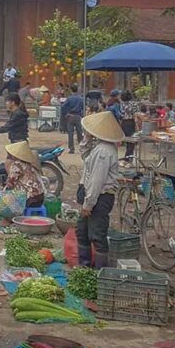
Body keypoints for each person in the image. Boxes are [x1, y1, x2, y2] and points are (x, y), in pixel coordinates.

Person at [75, 110, 123, 269]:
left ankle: (99, 272)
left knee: (97, 235)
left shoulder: (104, 151)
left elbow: (97, 180)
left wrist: (88, 205)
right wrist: (86, 138)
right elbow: (85, 156)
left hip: (99, 197)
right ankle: (85, 267)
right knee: (82, 232)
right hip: (92, 195)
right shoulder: (99, 147)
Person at [4, 140, 46, 208]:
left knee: (6, 203)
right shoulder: (29, 164)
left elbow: (11, 183)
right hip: (40, 198)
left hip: (30, 200)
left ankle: (9, 218)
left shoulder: (16, 165)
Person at [61, 84, 84, 154]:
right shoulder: (80, 98)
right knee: (79, 133)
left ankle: (71, 149)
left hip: (70, 116)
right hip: (77, 116)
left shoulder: (69, 98)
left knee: (70, 133)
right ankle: (82, 148)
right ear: (77, 89)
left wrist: (66, 113)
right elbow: (83, 107)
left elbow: (63, 107)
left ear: (71, 90)